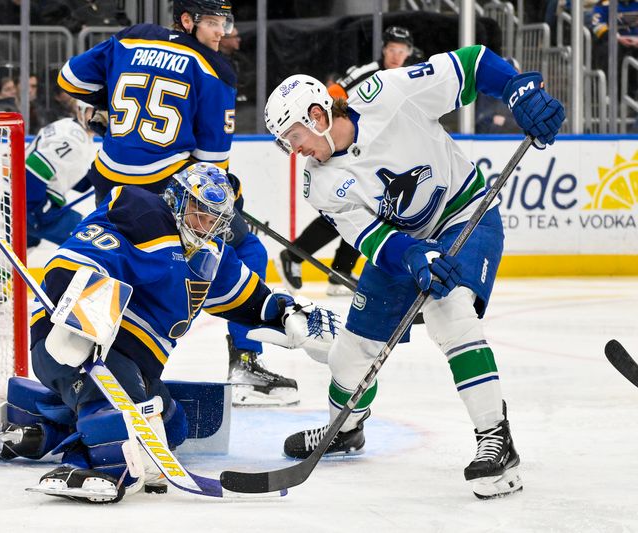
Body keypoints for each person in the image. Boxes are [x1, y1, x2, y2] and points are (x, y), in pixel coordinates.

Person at [264, 44, 564, 499]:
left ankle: (497, 440)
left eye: (294, 136)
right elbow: (371, 239)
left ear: (318, 114)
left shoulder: (387, 93)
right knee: (350, 355)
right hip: (403, 247)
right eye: (287, 143)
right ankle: (345, 429)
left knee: (450, 311)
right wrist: (413, 257)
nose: (294, 150)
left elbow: (473, 65)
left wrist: (516, 90)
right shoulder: (317, 180)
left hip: (465, 213)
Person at [0, 162, 336, 502]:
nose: (208, 226)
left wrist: (288, 313)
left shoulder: (212, 254)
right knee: (122, 437)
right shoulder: (143, 216)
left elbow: (250, 300)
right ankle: (81, 468)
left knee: (172, 427)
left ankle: (36, 426)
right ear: (179, 200)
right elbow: (68, 267)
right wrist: (81, 320)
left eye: (217, 219)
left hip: (132, 365)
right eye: (201, 212)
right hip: (79, 346)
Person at [57, 0, 296, 406]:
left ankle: (87, 371)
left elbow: (69, 79)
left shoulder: (131, 38)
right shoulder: (214, 68)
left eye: (226, 22)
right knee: (247, 249)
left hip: (113, 183)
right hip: (169, 191)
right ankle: (245, 363)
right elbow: (212, 168)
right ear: (187, 20)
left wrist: (107, 106)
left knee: (116, 268)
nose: (222, 31)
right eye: (214, 22)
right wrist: (230, 200)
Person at [276, 26, 415, 298]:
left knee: (370, 206)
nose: (397, 55)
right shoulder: (366, 73)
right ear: (384, 49)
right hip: (344, 147)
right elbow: (328, 96)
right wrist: (327, 136)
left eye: (403, 51)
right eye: (392, 49)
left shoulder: (401, 76)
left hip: (372, 148)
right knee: (347, 207)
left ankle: (338, 271)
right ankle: (296, 256)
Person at [0, 101, 98, 304]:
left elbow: (68, 173)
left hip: (19, 195)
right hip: (30, 199)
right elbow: (35, 167)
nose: (101, 117)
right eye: (96, 110)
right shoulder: (72, 138)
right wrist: (32, 209)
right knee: (87, 237)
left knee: (24, 241)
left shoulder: (69, 127)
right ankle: (83, 296)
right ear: (81, 110)